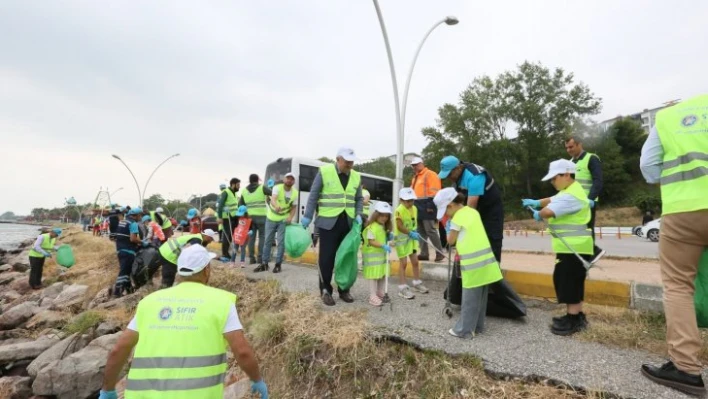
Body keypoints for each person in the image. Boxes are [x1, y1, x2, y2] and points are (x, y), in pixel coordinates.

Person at [98, 245, 268, 399]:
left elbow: (119, 349)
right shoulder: (221, 302)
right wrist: (256, 380)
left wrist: (108, 389)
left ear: (179, 271)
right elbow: (242, 352)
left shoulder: (150, 302)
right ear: (207, 270)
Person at [638, 94, 708, 396]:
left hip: (685, 209)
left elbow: (649, 166)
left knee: (679, 285)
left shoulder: (667, 117)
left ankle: (686, 368)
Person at [522, 159, 593, 336]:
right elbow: (551, 200)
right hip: (572, 247)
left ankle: (574, 320)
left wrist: (539, 212)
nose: (552, 181)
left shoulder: (570, 195)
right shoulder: (568, 190)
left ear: (567, 174)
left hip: (574, 247)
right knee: (568, 281)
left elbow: (549, 211)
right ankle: (575, 315)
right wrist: (537, 202)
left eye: (555, 178)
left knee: (569, 282)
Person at [434, 188, 503, 339]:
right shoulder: (473, 212)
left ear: (450, 205)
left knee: (470, 299)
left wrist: (448, 228)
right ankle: (477, 326)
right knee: (481, 297)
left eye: (445, 212)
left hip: (473, 265)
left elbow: (451, 241)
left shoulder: (457, 218)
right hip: (486, 263)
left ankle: (464, 330)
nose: (446, 215)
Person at [302, 147, 364, 306]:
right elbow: (313, 196)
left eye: (352, 161)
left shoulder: (356, 176)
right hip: (328, 223)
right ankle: (325, 290)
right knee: (326, 258)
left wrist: (358, 213)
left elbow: (358, 199)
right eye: (347, 161)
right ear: (338, 159)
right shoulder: (324, 172)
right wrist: (308, 216)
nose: (350, 164)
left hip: (348, 223)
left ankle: (344, 289)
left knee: (346, 258)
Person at [438, 155, 504, 263]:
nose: (449, 177)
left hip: (490, 211)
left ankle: (494, 273)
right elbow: (456, 205)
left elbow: (469, 209)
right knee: (472, 242)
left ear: (458, 168)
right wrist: (451, 221)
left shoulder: (475, 175)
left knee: (491, 240)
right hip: (475, 210)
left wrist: (456, 227)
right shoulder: (457, 178)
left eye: (450, 174)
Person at [565, 136, 606, 265]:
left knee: (587, 229)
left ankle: (590, 256)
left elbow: (598, 181)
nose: (569, 150)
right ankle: (587, 255)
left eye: (571, 147)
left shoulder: (591, 159)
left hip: (588, 202)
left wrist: (590, 199)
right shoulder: (570, 163)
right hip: (574, 203)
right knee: (577, 230)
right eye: (566, 148)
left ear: (579, 144)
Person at [258, 172, 298, 273]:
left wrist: (290, 217)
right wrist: (276, 205)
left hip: (283, 220)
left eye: (291, 179)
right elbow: (273, 199)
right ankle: (264, 264)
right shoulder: (277, 188)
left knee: (281, 243)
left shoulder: (295, 193)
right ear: (284, 179)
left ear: (294, 181)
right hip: (271, 218)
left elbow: (294, 207)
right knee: (267, 241)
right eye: (288, 178)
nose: (289, 180)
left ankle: (278, 264)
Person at [394, 187, 428, 299]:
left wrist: (414, 231)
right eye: (407, 201)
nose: (410, 203)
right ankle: (402, 287)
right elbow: (399, 226)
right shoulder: (399, 210)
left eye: (412, 200)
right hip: (402, 240)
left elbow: (413, 222)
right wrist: (410, 232)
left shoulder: (414, 208)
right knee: (403, 263)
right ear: (401, 200)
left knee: (415, 261)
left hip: (412, 239)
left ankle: (417, 283)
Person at [409, 157, 444, 262]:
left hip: (428, 204)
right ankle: (424, 254)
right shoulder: (415, 177)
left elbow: (435, 191)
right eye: (413, 165)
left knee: (430, 230)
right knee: (420, 231)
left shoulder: (430, 174)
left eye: (416, 164)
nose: (414, 167)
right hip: (417, 205)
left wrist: (430, 205)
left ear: (422, 164)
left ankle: (440, 253)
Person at [361, 201, 393, 307]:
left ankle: (380, 292)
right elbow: (371, 241)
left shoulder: (383, 227)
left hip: (381, 257)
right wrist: (383, 246)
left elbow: (383, 238)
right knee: (373, 277)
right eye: (382, 215)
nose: (384, 218)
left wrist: (389, 237)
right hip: (372, 257)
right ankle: (372, 295)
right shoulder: (371, 227)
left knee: (382, 275)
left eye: (386, 216)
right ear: (376, 215)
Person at [239, 175, 272, 265]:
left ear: (249, 181)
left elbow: (240, 205)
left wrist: (245, 215)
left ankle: (251, 258)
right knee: (262, 237)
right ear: (257, 180)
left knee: (251, 238)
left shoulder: (244, 191)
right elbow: (272, 193)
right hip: (262, 217)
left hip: (250, 218)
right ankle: (260, 258)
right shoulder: (262, 187)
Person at [114, 207, 144, 297]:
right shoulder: (133, 223)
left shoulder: (122, 222)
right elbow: (133, 238)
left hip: (120, 250)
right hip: (128, 251)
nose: (141, 217)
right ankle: (117, 292)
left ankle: (129, 290)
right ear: (137, 215)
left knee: (126, 271)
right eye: (140, 215)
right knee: (124, 272)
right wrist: (142, 242)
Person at [217, 178, 242, 262]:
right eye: (238, 185)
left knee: (231, 236)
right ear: (233, 184)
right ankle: (225, 253)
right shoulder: (226, 192)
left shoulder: (234, 193)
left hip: (234, 216)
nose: (239, 187)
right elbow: (220, 205)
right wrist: (219, 217)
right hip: (227, 217)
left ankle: (228, 252)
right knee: (226, 235)